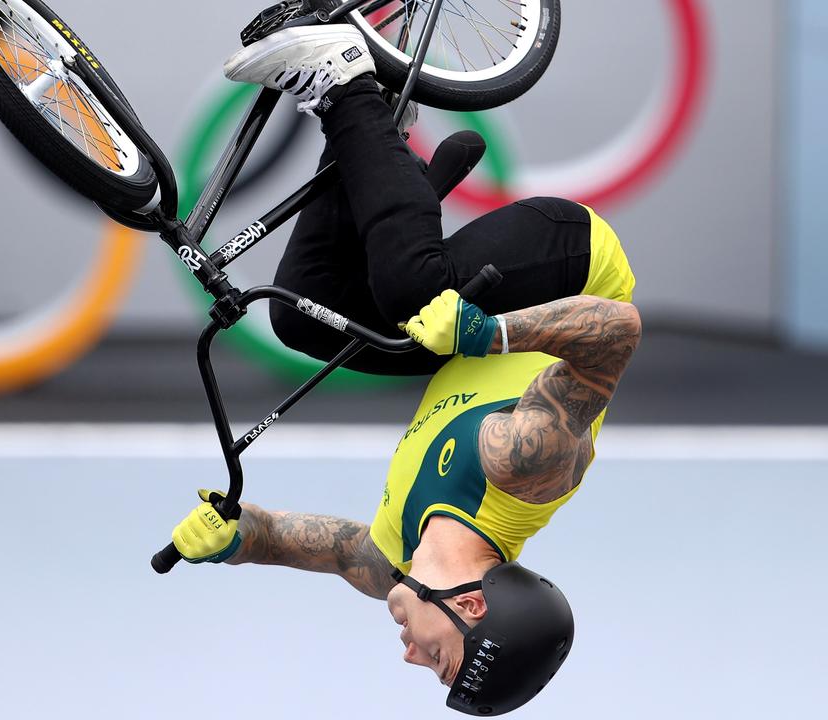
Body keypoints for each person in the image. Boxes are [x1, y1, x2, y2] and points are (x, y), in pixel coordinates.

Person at [165, 21, 641, 717]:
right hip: (572, 273)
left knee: (301, 315)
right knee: (414, 290)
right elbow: (616, 335)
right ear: (471, 604)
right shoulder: (521, 467)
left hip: (466, 335)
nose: (409, 656)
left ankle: (377, 119)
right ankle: (347, 80)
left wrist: (241, 539)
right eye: (439, 658)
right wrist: (487, 333)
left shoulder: (395, 560)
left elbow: (326, 549)